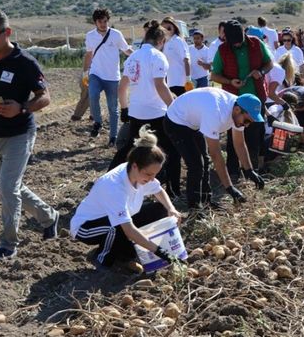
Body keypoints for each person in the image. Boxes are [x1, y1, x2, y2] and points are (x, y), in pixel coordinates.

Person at [0, 9, 60, 259]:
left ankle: (8, 244)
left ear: (7, 32)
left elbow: (45, 97)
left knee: (8, 188)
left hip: (19, 134)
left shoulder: (25, 62)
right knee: (12, 187)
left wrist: (23, 107)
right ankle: (49, 217)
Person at [70, 126, 182, 269]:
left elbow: (159, 191)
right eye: (149, 174)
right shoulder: (115, 186)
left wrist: (171, 209)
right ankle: (102, 259)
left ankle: (124, 252)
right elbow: (128, 230)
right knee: (116, 227)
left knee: (160, 209)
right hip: (86, 227)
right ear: (135, 166)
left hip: (117, 220)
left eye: (155, 174)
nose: (152, 179)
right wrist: (162, 253)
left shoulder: (137, 174)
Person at [108, 21, 179, 198]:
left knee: (130, 151)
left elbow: (122, 87)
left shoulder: (133, 57)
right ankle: (173, 190)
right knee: (171, 151)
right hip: (156, 114)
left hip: (136, 113)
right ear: (161, 41)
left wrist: (124, 108)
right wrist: (174, 108)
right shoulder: (158, 57)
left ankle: (109, 180)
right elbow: (160, 85)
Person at [164, 88, 266, 208]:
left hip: (194, 120)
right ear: (237, 110)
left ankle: (206, 201)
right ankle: (194, 207)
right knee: (196, 165)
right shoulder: (216, 113)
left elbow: (239, 143)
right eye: (247, 121)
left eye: (250, 122)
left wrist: (249, 171)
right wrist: (229, 188)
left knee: (205, 161)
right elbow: (216, 155)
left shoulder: (238, 109)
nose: (247, 125)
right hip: (176, 120)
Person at [210, 20, 274, 177]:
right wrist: (230, 81)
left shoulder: (256, 44)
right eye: (234, 43)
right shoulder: (222, 50)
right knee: (233, 138)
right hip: (234, 103)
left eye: (240, 42)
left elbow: (269, 63)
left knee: (254, 136)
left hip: (256, 100)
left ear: (244, 35)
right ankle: (233, 171)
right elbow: (214, 75)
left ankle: (252, 171)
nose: (237, 45)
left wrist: (261, 72)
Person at [83, 8, 132, 145]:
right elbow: (89, 54)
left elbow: (126, 49)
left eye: (105, 21)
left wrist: (138, 56)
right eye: (100, 21)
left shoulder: (116, 34)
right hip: (96, 74)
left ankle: (113, 137)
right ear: (95, 22)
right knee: (92, 96)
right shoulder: (90, 36)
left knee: (113, 108)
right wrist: (85, 72)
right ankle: (98, 122)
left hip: (112, 77)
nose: (103, 24)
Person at [161, 17, 191, 97]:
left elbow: (186, 60)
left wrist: (188, 78)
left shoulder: (178, 40)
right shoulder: (165, 43)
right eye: (164, 28)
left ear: (174, 27)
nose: (167, 30)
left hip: (181, 82)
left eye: (169, 27)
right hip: (170, 82)